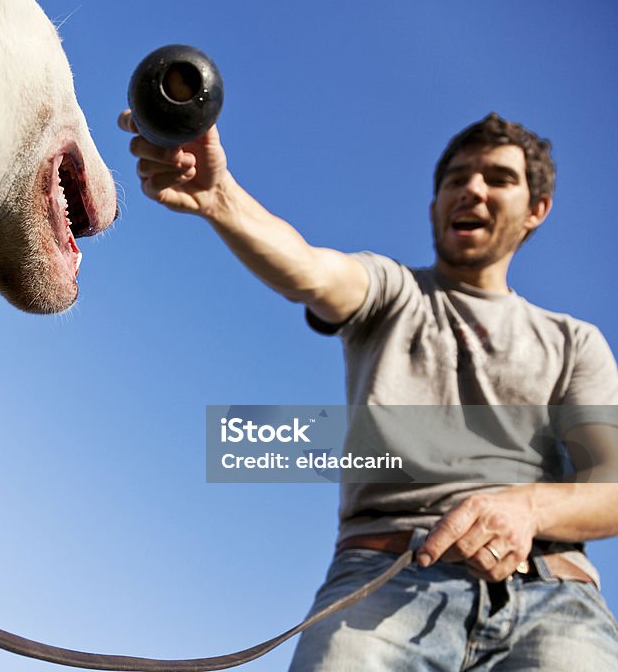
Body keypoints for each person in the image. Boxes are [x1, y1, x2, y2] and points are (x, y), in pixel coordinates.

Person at [118, 110, 618, 670]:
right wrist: (220, 197)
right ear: (434, 207)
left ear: (536, 211)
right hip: (383, 583)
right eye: (456, 179)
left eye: (498, 178)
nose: (471, 190)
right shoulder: (393, 292)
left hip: (553, 599)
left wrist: (525, 508)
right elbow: (310, 271)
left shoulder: (575, 341)